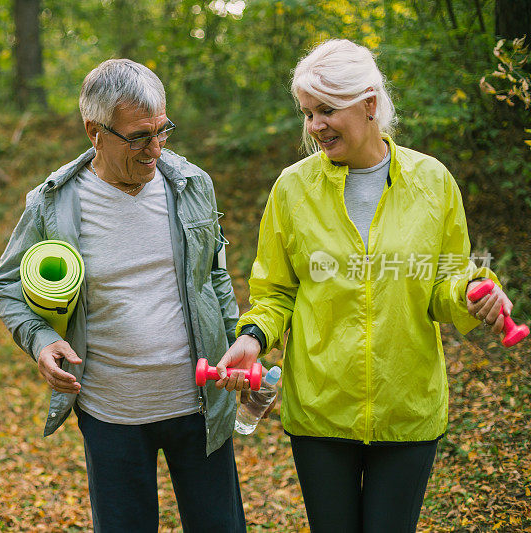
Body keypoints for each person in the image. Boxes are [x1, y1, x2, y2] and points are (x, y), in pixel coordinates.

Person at [214, 39, 510, 533]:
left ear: (369, 103)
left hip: (407, 407)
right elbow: (275, 293)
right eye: (308, 113)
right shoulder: (292, 189)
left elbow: (444, 281)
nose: (314, 126)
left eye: (327, 110)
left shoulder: (432, 182)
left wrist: (472, 294)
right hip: (320, 411)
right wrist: (252, 337)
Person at [0, 59, 246, 532]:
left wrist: (236, 345)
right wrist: (41, 339)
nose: (156, 149)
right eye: (139, 137)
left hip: (199, 407)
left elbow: (216, 278)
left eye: (163, 131)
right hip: (111, 415)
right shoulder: (54, 202)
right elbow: (4, 285)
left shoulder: (191, 185)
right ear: (94, 131)